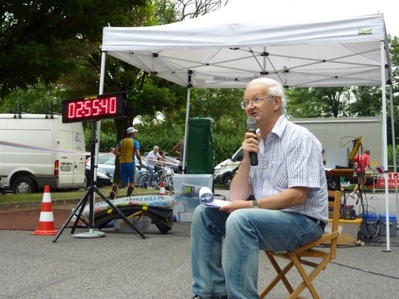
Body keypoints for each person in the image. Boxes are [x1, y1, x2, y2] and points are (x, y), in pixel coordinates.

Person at [190, 78, 328, 299]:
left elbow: (298, 196)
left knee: (241, 219)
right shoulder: (255, 142)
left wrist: (249, 206)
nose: (249, 106)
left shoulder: (299, 138)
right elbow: (237, 195)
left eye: (256, 99)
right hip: (264, 218)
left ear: (276, 103)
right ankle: (210, 293)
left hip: (303, 222)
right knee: (204, 213)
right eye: (246, 102)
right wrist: (246, 158)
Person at [109, 127, 143, 199]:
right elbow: (138, 154)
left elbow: (115, 151)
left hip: (122, 163)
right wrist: (140, 161)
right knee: (132, 183)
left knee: (124, 183)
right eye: (135, 133)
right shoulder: (135, 142)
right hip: (130, 163)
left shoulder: (122, 141)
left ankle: (117, 188)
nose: (135, 134)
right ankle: (128, 197)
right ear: (133, 133)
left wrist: (120, 155)